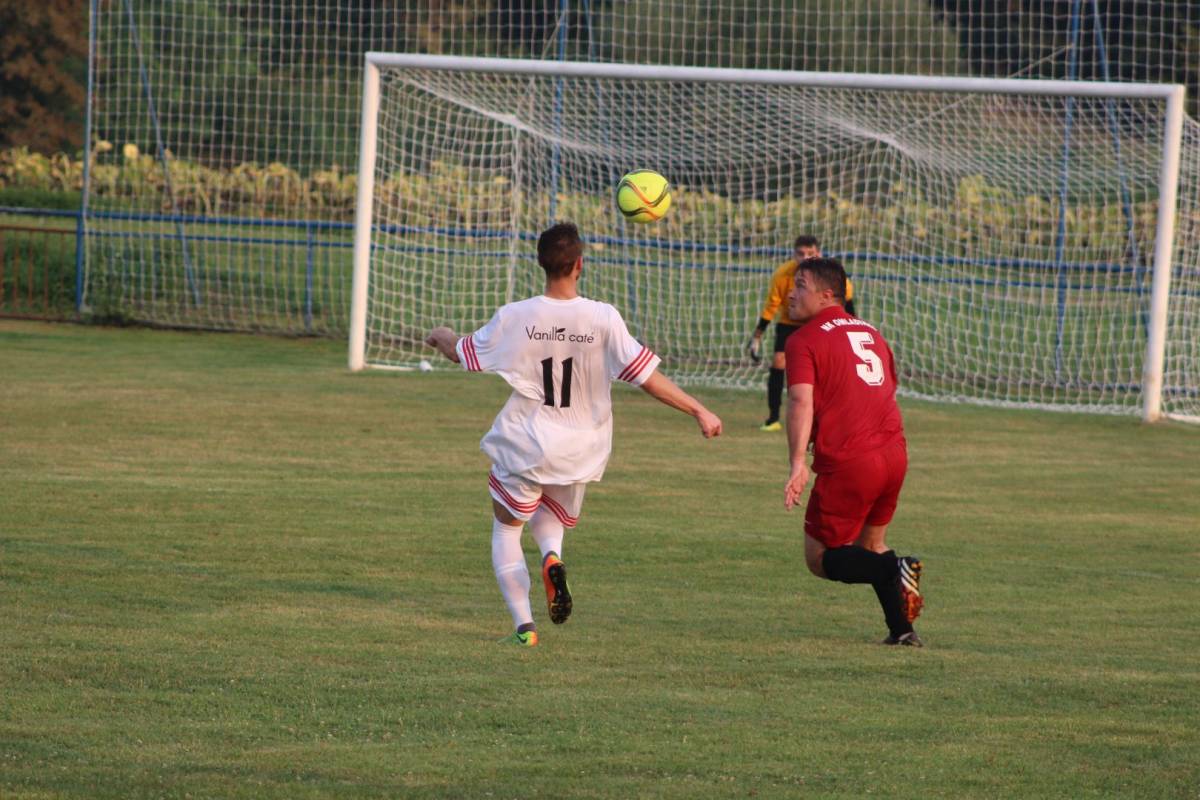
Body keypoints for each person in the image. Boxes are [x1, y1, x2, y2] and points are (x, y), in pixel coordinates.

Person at [425, 222, 723, 647]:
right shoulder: (603, 317)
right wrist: (699, 408)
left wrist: (442, 337)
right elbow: (647, 377)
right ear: (580, 265)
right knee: (550, 512)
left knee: (507, 529)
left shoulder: (517, 315)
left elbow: (464, 353)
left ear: (541, 262)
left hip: (528, 442)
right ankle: (551, 557)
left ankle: (524, 628)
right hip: (583, 447)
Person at [780, 257, 923, 646]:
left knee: (821, 558)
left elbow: (800, 401)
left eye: (802, 286)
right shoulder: (872, 332)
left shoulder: (804, 340)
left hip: (851, 462)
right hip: (894, 455)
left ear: (828, 294)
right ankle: (903, 630)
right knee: (871, 546)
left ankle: (897, 568)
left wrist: (797, 463)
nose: (791, 292)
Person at [748, 236, 857, 431]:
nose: (805, 257)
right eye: (800, 253)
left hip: (821, 323)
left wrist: (853, 327)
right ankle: (773, 417)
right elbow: (771, 306)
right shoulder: (782, 274)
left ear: (818, 253)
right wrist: (758, 335)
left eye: (810, 253)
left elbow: (846, 301)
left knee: (826, 368)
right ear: (793, 254)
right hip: (789, 323)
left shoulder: (830, 275)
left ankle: (828, 415)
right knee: (779, 362)